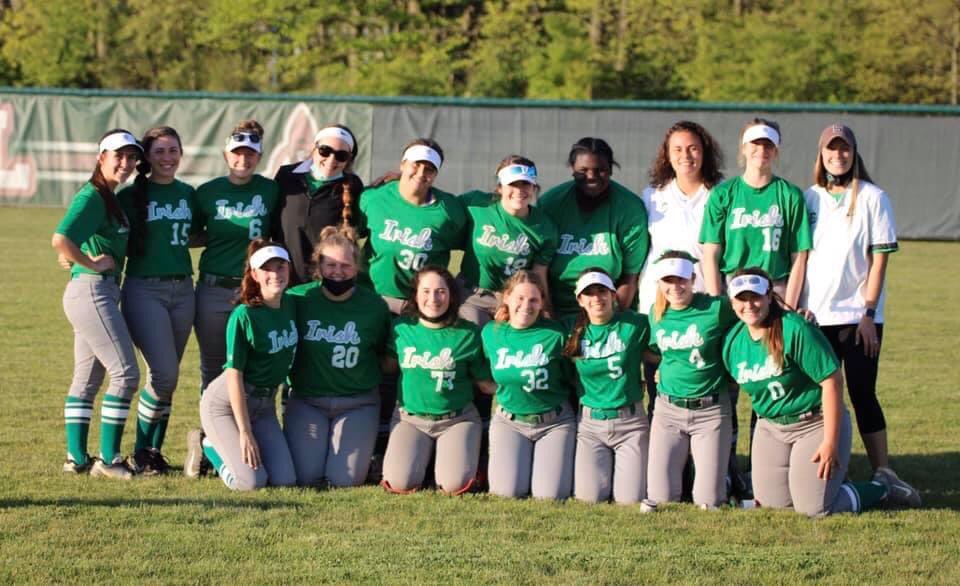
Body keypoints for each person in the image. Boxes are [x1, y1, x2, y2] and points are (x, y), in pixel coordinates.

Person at [801, 124, 920, 507]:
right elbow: (802, 258)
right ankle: (831, 464)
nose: (838, 155)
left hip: (857, 316)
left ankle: (883, 469)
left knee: (862, 391)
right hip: (816, 315)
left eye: (845, 149)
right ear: (821, 154)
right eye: (831, 149)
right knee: (819, 393)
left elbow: (879, 261)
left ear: (854, 153)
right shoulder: (810, 198)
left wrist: (868, 313)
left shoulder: (873, 197)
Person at [722, 269, 888, 516]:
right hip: (771, 427)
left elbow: (832, 382)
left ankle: (882, 488)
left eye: (756, 296)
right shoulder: (733, 341)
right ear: (732, 302)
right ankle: (831, 484)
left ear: (769, 296)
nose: (749, 305)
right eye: (741, 298)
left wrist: (830, 442)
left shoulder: (795, 328)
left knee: (814, 509)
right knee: (773, 505)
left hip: (813, 423)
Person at [186, 120, 280, 477]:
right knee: (214, 368)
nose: (243, 159)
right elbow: (191, 233)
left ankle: (254, 437)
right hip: (214, 288)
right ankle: (212, 440)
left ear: (258, 156)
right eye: (237, 152)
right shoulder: (207, 192)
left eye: (250, 153)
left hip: (254, 291)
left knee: (257, 365)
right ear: (226, 155)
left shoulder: (270, 191)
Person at [53, 129, 142, 479]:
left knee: (88, 379)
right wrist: (87, 263)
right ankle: (109, 460)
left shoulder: (109, 196)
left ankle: (76, 459)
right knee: (126, 373)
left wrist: (78, 260)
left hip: (94, 290)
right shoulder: (92, 195)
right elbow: (61, 238)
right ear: (100, 157)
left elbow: (74, 241)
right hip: (92, 289)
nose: (126, 162)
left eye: (132, 157)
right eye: (117, 155)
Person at [284, 226, 391, 487]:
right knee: (306, 476)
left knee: (344, 480)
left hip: (358, 402)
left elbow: (383, 355)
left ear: (357, 268)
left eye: (345, 265)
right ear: (318, 266)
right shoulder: (298, 299)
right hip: (308, 400)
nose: (338, 272)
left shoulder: (374, 306)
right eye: (330, 265)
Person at [118, 126, 197, 475]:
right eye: (160, 151)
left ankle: (153, 451)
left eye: (173, 150)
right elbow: (98, 230)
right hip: (144, 289)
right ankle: (140, 451)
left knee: (169, 377)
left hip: (183, 290)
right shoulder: (131, 196)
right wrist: (73, 257)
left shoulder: (188, 193)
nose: (167, 157)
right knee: (163, 375)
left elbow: (196, 234)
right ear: (146, 158)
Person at [194, 240, 297, 491]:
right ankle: (209, 447)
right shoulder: (244, 316)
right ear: (254, 274)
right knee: (251, 482)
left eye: (280, 267)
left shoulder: (293, 303)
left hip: (264, 406)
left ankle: (222, 445)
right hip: (227, 405)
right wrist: (245, 432)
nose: (275, 274)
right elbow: (234, 377)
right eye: (267, 269)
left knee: (285, 480)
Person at [381, 266, 493, 494]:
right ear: (415, 295)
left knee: (454, 484)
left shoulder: (468, 332)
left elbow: (484, 383)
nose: (433, 298)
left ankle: (452, 459)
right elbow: (388, 367)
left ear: (452, 295)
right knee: (401, 483)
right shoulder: (401, 328)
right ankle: (425, 458)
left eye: (441, 291)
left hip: (457, 419)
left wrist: (519, 389)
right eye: (426, 291)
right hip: (410, 419)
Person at [638, 120, 725, 416]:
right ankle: (667, 459)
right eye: (677, 149)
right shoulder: (652, 195)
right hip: (660, 304)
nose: (685, 155)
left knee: (708, 386)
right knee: (659, 386)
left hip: (701, 303)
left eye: (692, 148)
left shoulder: (720, 194)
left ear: (705, 152)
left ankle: (716, 458)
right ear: (667, 154)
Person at [645, 252, 737, 508]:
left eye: (682, 280)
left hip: (710, 410)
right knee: (661, 498)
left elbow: (749, 322)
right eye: (668, 280)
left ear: (693, 279)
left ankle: (724, 481)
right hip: (668, 411)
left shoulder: (716, 308)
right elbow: (654, 350)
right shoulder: (656, 313)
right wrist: (665, 365)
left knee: (708, 501)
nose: (675, 287)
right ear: (660, 283)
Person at [699, 118, 811, 308]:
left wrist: (789, 306)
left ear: (776, 151)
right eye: (755, 144)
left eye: (768, 145)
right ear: (743, 148)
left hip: (774, 289)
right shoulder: (723, 194)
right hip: (733, 287)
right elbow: (710, 254)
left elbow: (799, 256)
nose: (761, 150)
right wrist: (717, 302)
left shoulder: (790, 195)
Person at [483, 270, 575, 500]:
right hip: (509, 422)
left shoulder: (555, 334)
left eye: (534, 299)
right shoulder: (491, 334)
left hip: (554, 422)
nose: (526, 305)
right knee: (506, 492)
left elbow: (572, 376)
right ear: (507, 298)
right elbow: (480, 373)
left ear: (542, 302)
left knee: (549, 496)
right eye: (520, 298)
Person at [562, 268, 650, 504]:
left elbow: (665, 346)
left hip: (630, 423)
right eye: (589, 294)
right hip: (590, 426)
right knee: (588, 498)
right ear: (580, 299)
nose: (597, 298)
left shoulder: (635, 324)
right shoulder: (570, 330)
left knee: (629, 500)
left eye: (602, 291)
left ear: (613, 294)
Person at [539, 137, 650, 317]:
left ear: (611, 169)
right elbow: (538, 270)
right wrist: (549, 319)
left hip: (608, 312)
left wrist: (606, 324)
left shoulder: (629, 208)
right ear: (572, 170)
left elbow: (630, 277)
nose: (591, 177)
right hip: (557, 311)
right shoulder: (550, 204)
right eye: (583, 170)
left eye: (600, 170)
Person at [358, 139, 467, 314]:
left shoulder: (449, 210)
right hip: (371, 297)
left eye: (429, 169)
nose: (421, 173)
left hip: (420, 305)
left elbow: (470, 246)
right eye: (416, 165)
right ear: (403, 164)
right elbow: (349, 236)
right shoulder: (373, 199)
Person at [459, 156, 559, 327]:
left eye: (525, 184)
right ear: (500, 187)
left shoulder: (544, 228)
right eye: (513, 184)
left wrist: (547, 309)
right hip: (472, 293)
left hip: (515, 298)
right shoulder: (476, 204)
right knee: (473, 330)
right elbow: (437, 202)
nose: (520, 190)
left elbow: (539, 274)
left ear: (534, 187)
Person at [273, 124, 365, 284]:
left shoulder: (353, 186)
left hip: (326, 284)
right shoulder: (285, 176)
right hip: (283, 279)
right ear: (314, 148)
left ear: (349, 159)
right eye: (325, 150)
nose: (331, 159)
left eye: (341, 155)